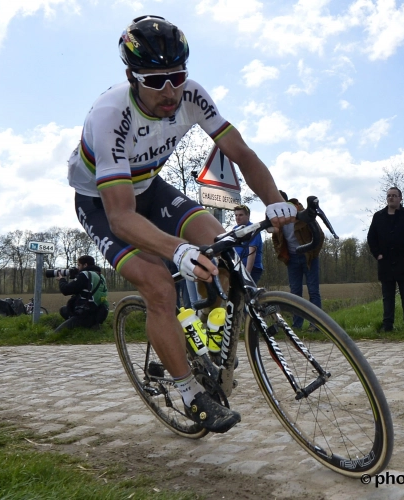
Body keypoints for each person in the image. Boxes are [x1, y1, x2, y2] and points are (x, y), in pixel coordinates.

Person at [66, 15, 295, 433]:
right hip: (103, 202)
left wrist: (276, 201)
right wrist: (176, 249)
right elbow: (120, 216)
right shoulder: (109, 115)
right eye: (155, 81)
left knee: (224, 246)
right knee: (159, 285)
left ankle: (210, 340)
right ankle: (190, 392)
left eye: (177, 77)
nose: (169, 91)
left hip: (150, 187)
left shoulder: (192, 95)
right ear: (131, 77)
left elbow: (241, 153)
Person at [367, 187, 404, 333]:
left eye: (394, 196)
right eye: (389, 196)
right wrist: (377, 254)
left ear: (400, 198)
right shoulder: (378, 216)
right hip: (385, 263)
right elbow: (371, 238)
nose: (391, 198)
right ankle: (387, 325)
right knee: (387, 296)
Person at [271, 192, 324, 329]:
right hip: (292, 258)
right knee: (295, 293)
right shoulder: (277, 219)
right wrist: (282, 254)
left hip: (309, 257)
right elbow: (276, 239)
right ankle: (297, 326)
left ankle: (316, 324)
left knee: (313, 291)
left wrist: (312, 254)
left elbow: (320, 235)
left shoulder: (300, 213)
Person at [55, 255, 109, 332]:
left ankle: (84, 325)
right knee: (64, 310)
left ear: (85, 265)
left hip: (85, 313)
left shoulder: (85, 275)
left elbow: (66, 290)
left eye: (79, 265)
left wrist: (62, 279)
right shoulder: (99, 275)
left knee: (57, 332)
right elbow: (84, 287)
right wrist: (76, 276)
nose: (78, 268)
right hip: (100, 312)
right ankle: (90, 326)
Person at [231, 204, 264, 283]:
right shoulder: (235, 229)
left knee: (249, 293)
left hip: (252, 268)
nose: (237, 218)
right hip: (238, 267)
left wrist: (247, 274)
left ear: (248, 216)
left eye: (241, 215)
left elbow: (252, 253)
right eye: (236, 215)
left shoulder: (253, 229)